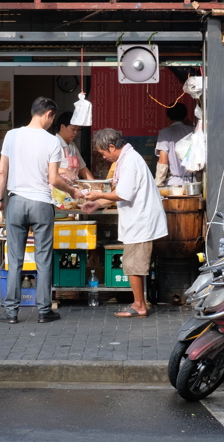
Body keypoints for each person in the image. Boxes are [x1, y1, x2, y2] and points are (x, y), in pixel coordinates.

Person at [0, 97, 82, 325]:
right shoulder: (52, 141)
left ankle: (11, 312)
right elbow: (54, 179)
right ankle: (44, 311)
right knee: (43, 258)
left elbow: (2, 172)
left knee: (15, 259)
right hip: (42, 204)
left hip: (16, 202)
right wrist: (73, 191)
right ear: (49, 114)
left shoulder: (12, 135)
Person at [83, 128, 168, 318]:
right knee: (132, 263)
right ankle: (139, 302)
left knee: (133, 263)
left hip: (141, 221)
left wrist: (98, 194)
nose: (103, 156)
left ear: (112, 147)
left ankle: (139, 305)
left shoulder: (130, 162)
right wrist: (96, 204)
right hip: (137, 220)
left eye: (103, 152)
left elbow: (123, 194)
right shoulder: (127, 160)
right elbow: (120, 193)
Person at [154, 103, 194, 187]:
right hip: (192, 184)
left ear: (168, 118)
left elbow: (163, 161)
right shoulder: (193, 131)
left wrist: (157, 183)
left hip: (174, 184)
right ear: (185, 116)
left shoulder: (165, 132)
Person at [54, 111, 94, 182]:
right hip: (57, 190)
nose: (76, 132)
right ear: (62, 127)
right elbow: (46, 168)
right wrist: (64, 170)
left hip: (71, 188)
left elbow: (83, 168)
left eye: (77, 130)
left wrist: (94, 184)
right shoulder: (54, 143)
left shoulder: (72, 145)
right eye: (73, 129)